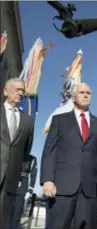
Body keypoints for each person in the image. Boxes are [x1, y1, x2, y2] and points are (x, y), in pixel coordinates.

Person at [40, 83, 97, 229]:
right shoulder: (59, 120)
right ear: (74, 97)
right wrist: (48, 179)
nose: (86, 95)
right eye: (82, 92)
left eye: (89, 92)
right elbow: (50, 151)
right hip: (61, 188)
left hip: (91, 189)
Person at [0, 78, 34, 229]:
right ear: (5, 91)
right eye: (17, 89)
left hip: (11, 180)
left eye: (23, 90)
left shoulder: (28, 121)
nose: (21, 93)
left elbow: (26, 151)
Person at [9, 154, 37, 229]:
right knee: (6, 212)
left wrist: (30, 190)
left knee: (17, 213)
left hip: (22, 188)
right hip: (8, 185)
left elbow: (33, 175)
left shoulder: (32, 159)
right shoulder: (13, 153)